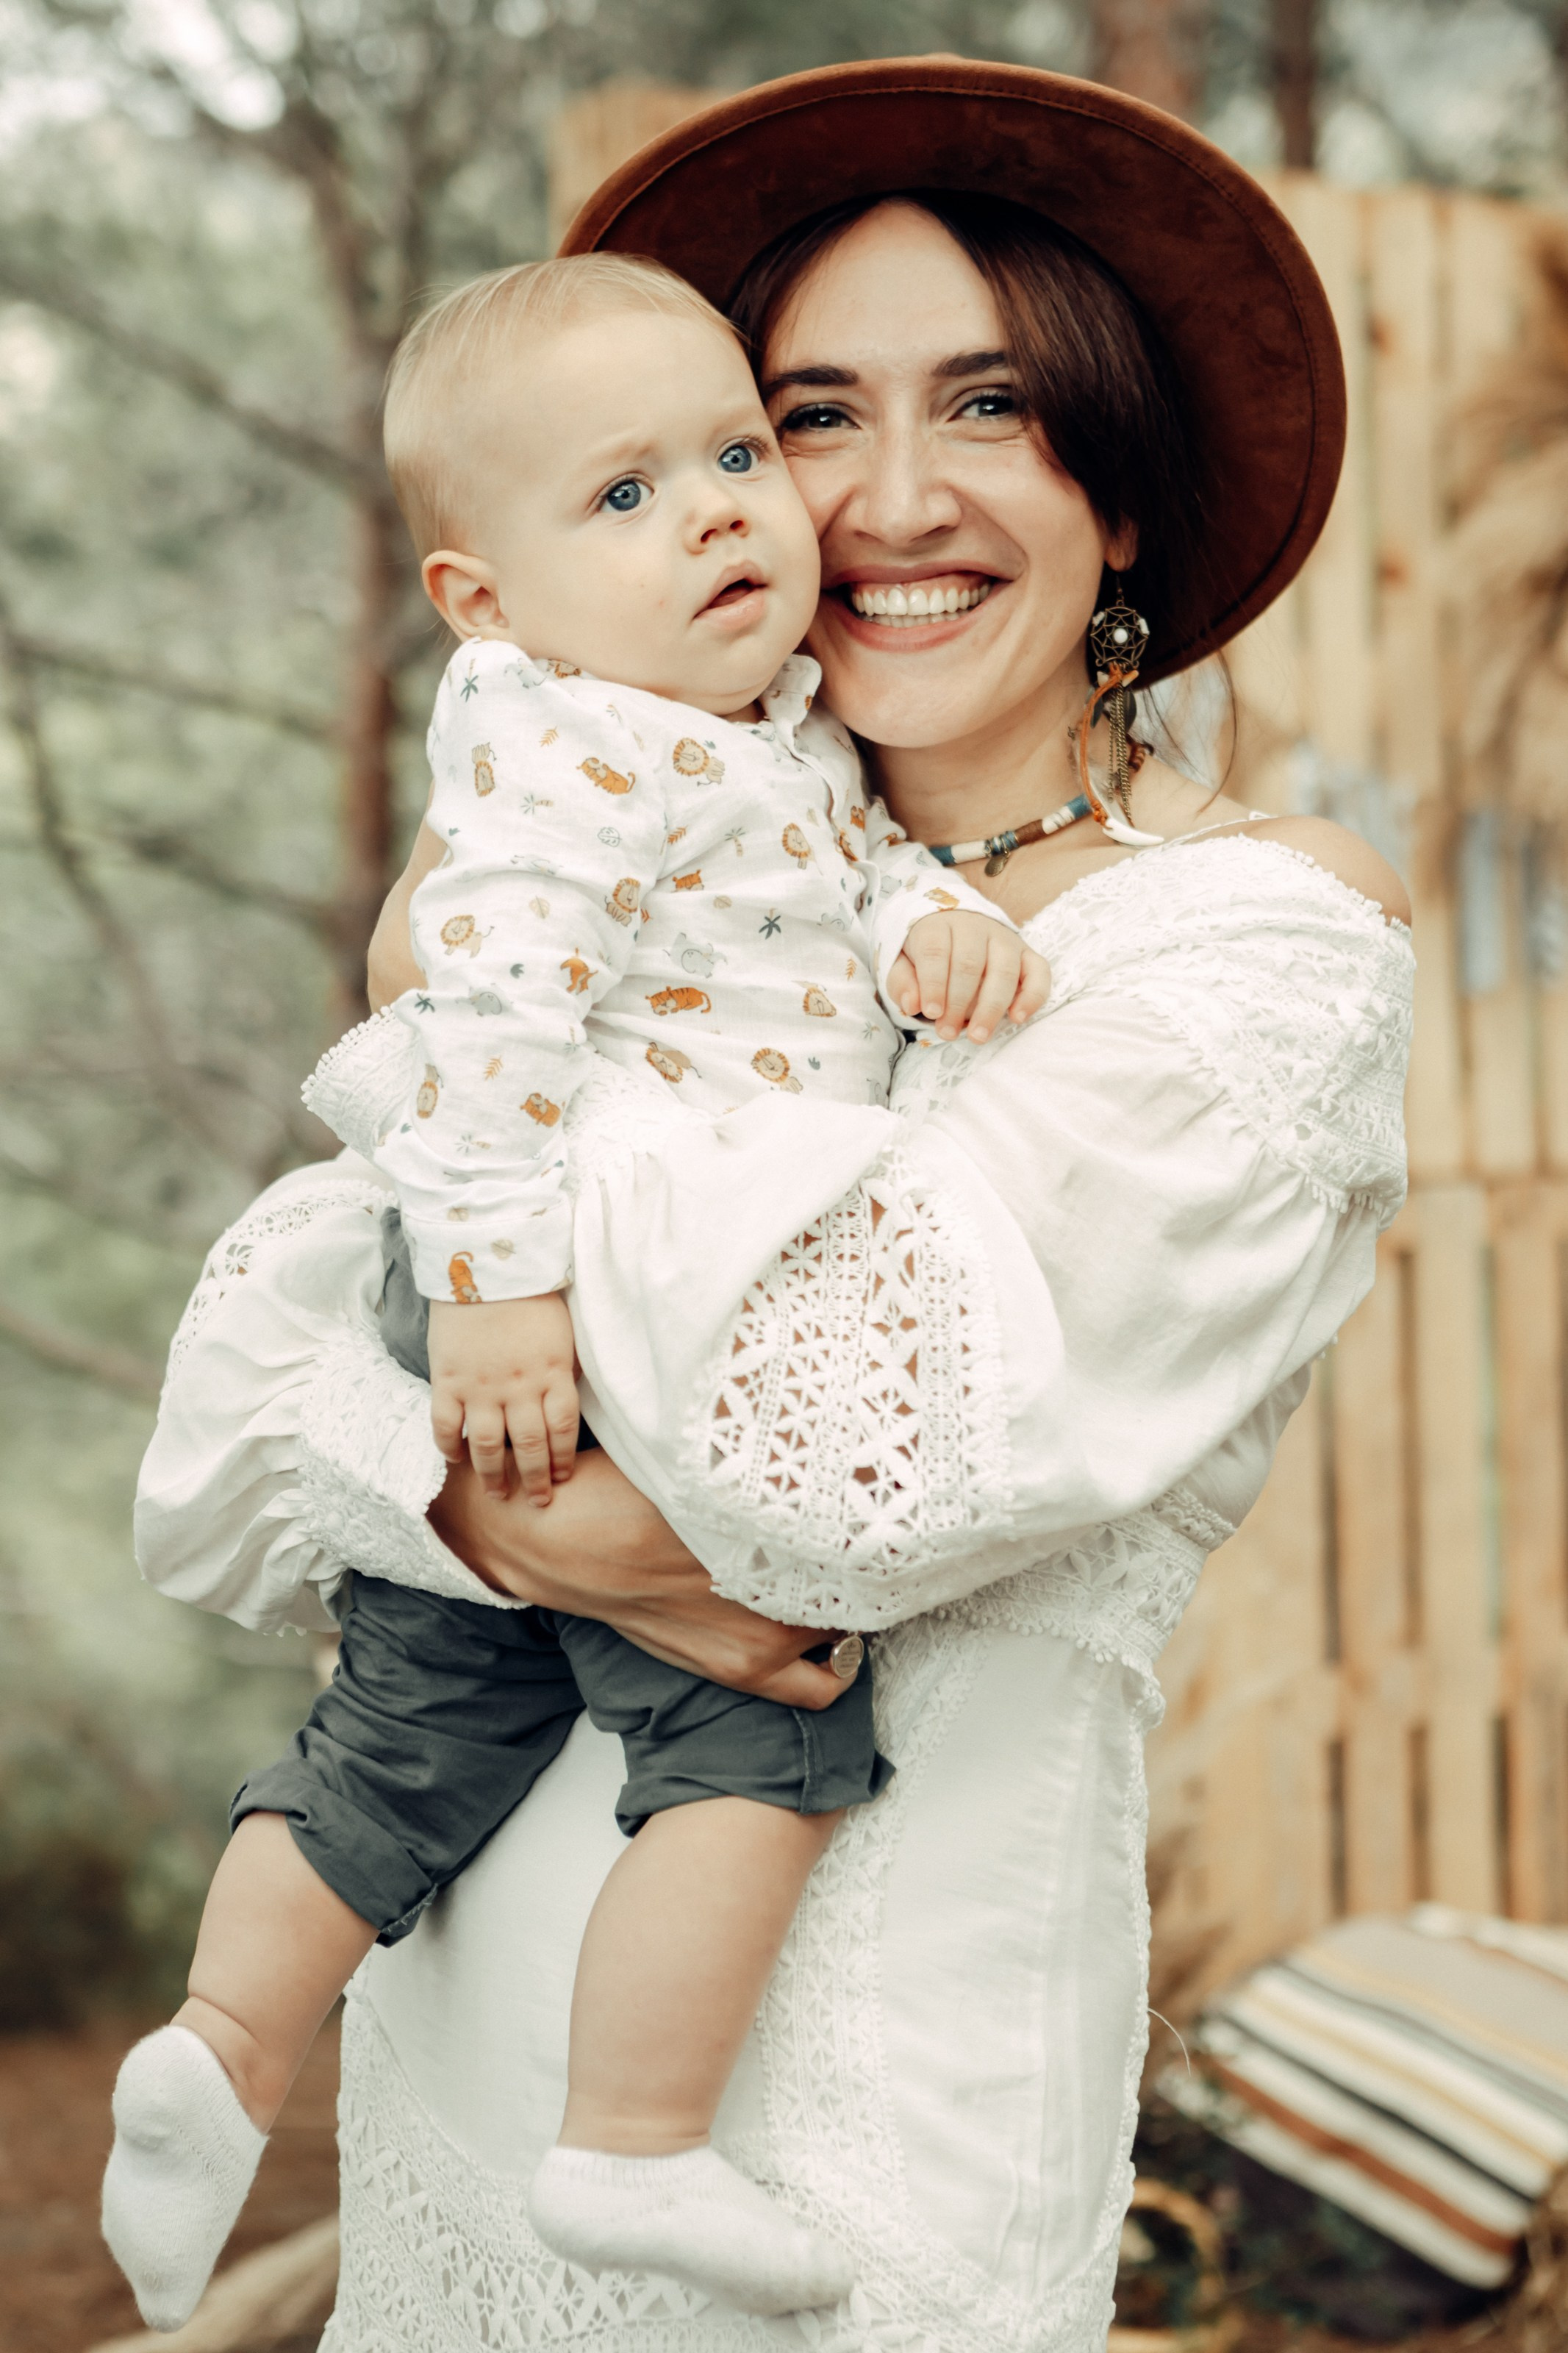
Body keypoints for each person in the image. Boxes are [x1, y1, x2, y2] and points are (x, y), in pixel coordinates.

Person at [129, 57, 1415, 2353]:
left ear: (1122, 497)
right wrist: (465, 1481)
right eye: (809, 412)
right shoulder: (649, 855)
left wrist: (507, 1442)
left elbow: (860, 1464)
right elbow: (288, 1350)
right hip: (463, 2046)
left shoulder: (1249, 946)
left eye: (994, 408)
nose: (882, 499)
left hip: (861, 2123)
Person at [101, 251, 1048, 2332]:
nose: (718, 510)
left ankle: (218, 2050)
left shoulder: (730, 730)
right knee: (762, 1741)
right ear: (481, 600)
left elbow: (809, 877)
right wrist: (496, 1297)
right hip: (583, 1307)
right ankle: (635, 2147)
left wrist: (919, 924)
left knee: (409, 1723)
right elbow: (484, 1037)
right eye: (622, 496)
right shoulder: (576, 768)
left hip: (578, 1301)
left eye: (729, 455)